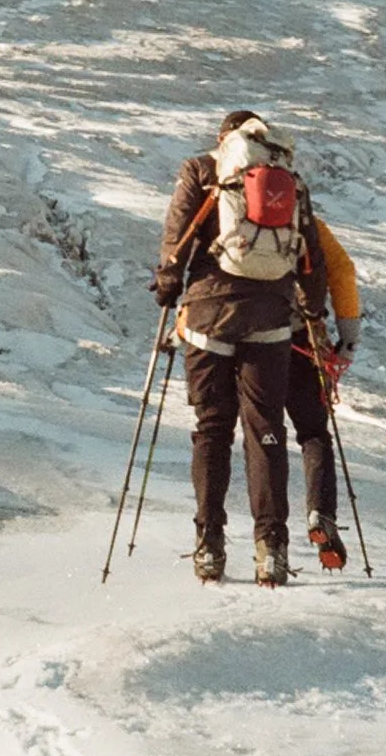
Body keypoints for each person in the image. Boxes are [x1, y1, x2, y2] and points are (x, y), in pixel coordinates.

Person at [153, 110, 330, 587]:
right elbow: (310, 255)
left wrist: (168, 284)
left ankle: (209, 543)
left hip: (209, 316)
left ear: (222, 138)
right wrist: (313, 312)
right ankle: (271, 548)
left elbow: (177, 234)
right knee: (265, 431)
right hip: (270, 321)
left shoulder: (202, 169)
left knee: (212, 428)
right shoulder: (290, 182)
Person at [287, 220, 364, 569]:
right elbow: (342, 270)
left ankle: (267, 540)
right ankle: (320, 513)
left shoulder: (223, 209)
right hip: (299, 338)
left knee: (260, 437)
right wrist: (348, 336)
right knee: (313, 433)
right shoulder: (305, 220)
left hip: (242, 340)